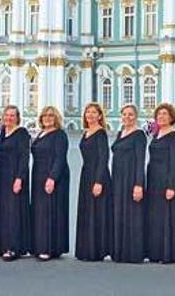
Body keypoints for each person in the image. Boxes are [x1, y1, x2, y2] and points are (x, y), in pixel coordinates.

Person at [0, 105, 30, 261]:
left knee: (14, 211)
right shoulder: (2, 132)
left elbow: (24, 157)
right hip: (1, 175)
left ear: (17, 118)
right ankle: (1, 245)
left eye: (12, 115)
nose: (8, 118)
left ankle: (13, 247)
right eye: (6, 115)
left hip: (14, 175)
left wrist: (19, 178)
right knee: (2, 210)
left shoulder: (21, 133)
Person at [31, 105, 69, 261]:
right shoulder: (40, 134)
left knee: (50, 211)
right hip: (39, 174)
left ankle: (49, 247)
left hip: (53, 175)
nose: (47, 118)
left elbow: (60, 158)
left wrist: (52, 178)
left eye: (51, 116)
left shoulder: (60, 135)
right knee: (40, 211)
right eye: (45, 115)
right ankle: (39, 245)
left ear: (56, 119)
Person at [75, 103, 112, 262]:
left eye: (93, 112)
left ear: (99, 116)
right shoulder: (86, 133)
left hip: (98, 175)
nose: (90, 115)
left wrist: (99, 181)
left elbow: (104, 158)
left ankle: (97, 250)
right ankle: (86, 249)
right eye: (87, 112)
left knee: (97, 213)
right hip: (86, 174)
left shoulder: (101, 133)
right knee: (87, 211)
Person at [146, 103, 175, 263]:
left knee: (166, 215)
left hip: (166, 178)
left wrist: (171, 186)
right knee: (155, 215)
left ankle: (167, 253)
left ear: (171, 117)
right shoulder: (157, 134)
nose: (161, 116)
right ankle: (155, 251)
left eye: (165, 114)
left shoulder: (174, 136)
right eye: (159, 114)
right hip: (153, 178)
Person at [110, 104, 146, 263]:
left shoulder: (139, 135)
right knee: (119, 213)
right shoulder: (120, 133)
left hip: (131, 178)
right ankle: (119, 250)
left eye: (131, 114)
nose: (127, 117)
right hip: (118, 178)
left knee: (133, 214)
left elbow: (140, 160)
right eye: (124, 114)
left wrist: (139, 184)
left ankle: (133, 252)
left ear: (136, 116)